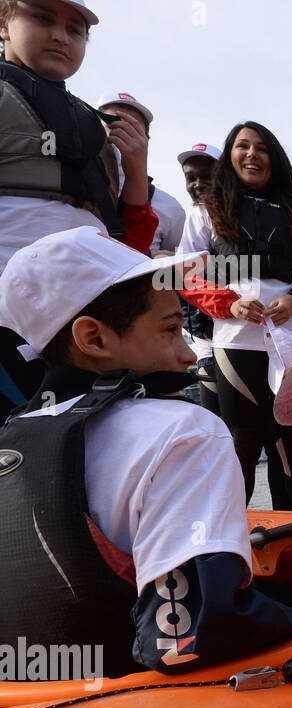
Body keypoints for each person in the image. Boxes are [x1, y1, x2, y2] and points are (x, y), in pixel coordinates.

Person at [0, 227, 292, 679]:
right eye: (170, 330)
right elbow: (191, 637)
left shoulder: (11, 434)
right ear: (94, 338)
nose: (189, 355)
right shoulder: (185, 430)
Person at [178, 121, 292, 510]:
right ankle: (231, 544)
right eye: (242, 146)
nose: (252, 154)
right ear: (230, 156)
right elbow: (186, 275)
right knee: (241, 441)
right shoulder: (207, 211)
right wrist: (229, 303)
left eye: (261, 148)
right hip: (235, 343)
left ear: (275, 159)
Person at [0, 0, 157, 419]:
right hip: (10, 320)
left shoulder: (92, 129)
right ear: (3, 24)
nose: (59, 35)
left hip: (85, 318)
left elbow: (127, 243)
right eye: (42, 18)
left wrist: (136, 171)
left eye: (74, 29)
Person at [96, 91, 186, 257]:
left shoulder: (171, 209)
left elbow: (175, 265)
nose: (121, 133)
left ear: (146, 141)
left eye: (132, 129)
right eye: (111, 124)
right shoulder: (69, 185)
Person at [177, 141, 221, 414]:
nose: (198, 184)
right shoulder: (195, 217)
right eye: (191, 178)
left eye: (208, 176)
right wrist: (201, 327)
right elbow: (180, 281)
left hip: (249, 340)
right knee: (224, 426)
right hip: (210, 346)